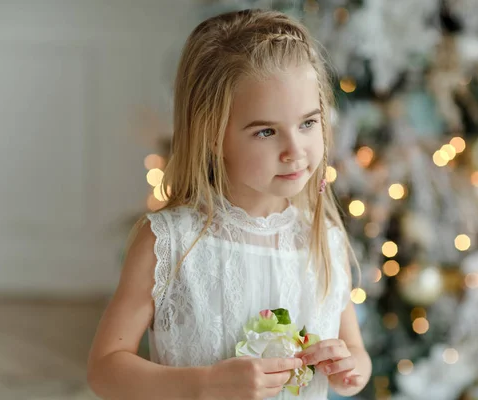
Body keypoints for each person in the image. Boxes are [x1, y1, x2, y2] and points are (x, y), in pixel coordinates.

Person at [87, 8, 372, 400]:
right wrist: (205, 384)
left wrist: (351, 366)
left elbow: (356, 349)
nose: (295, 150)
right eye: (267, 131)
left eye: (308, 123)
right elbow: (105, 369)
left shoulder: (325, 240)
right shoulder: (168, 243)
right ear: (212, 134)